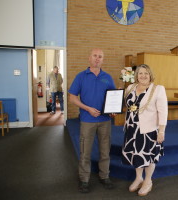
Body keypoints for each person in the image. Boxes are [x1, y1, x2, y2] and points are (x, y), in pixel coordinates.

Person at [68, 48, 116, 193]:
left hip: (105, 120)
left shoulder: (107, 77)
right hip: (87, 120)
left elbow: (112, 97)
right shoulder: (81, 76)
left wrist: (113, 108)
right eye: (95, 56)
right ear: (89, 58)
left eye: (100, 57)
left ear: (103, 60)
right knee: (85, 151)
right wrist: (87, 108)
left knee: (105, 151)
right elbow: (72, 98)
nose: (97, 58)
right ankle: (84, 179)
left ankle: (104, 176)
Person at [122, 64, 168, 196]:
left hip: (148, 130)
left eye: (146, 73)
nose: (143, 76)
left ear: (150, 75)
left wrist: (161, 131)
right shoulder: (130, 87)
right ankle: (138, 178)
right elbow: (125, 105)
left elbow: (163, 112)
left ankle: (148, 181)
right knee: (136, 155)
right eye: (140, 73)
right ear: (136, 75)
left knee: (148, 156)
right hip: (132, 128)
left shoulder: (158, 89)